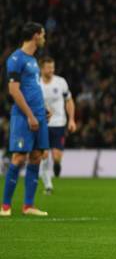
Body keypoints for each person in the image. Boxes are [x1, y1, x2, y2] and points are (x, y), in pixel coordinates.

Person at [1, 22, 49, 217]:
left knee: (37, 156)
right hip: (23, 117)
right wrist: (30, 115)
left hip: (39, 115)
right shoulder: (16, 58)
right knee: (19, 157)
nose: (45, 37)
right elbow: (14, 90)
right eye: (43, 34)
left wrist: (43, 109)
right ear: (36, 35)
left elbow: (33, 87)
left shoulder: (33, 60)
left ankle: (28, 206)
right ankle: (5, 206)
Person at [39, 56, 77, 194]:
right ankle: (48, 186)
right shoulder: (36, 83)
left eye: (53, 67)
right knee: (43, 155)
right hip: (42, 124)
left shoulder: (61, 82)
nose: (51, 70)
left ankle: (57, 164)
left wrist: (72, 119)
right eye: (48, 68)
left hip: (59, 123)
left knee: (56, 156)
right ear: (41, 69)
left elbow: (69, 101)